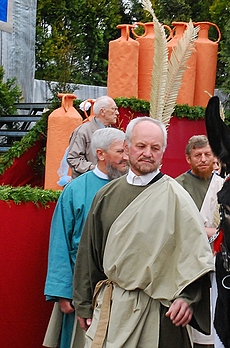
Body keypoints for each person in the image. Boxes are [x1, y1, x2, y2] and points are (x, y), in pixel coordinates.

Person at [73, 117, 214, 347]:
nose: (148, 153)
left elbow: (197, 258)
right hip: (112, 309)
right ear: (127, 148)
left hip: (161, 314)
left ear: (162, 152)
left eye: (155, 148)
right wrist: (84, 303)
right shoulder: (106, 196)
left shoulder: (177, 197)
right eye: (141, 146)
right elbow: (88, 254)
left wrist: (187, 299)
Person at [43, 128, 128, 348]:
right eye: (120, 151)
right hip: (83, 289)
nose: (126, 157)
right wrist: (63, 292)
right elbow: (60, 242)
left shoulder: (132, 187)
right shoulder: (75, 190)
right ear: (101, 154)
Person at [175, 135, 225, 348]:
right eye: (198, 155)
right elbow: (176, 225)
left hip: (220, 265)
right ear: (188, 158)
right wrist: (206, 231)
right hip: (189, 265)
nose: (203, 159)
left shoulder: (225, 186)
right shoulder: (177, 186)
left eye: (208, 154)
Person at [67, 96, 119, 179]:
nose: (117, 113)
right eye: (114, 109)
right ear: (102, 111)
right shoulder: (83, 131)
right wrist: (95, 169)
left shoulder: (114, 132)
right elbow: (73, 158)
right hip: (87, 182)